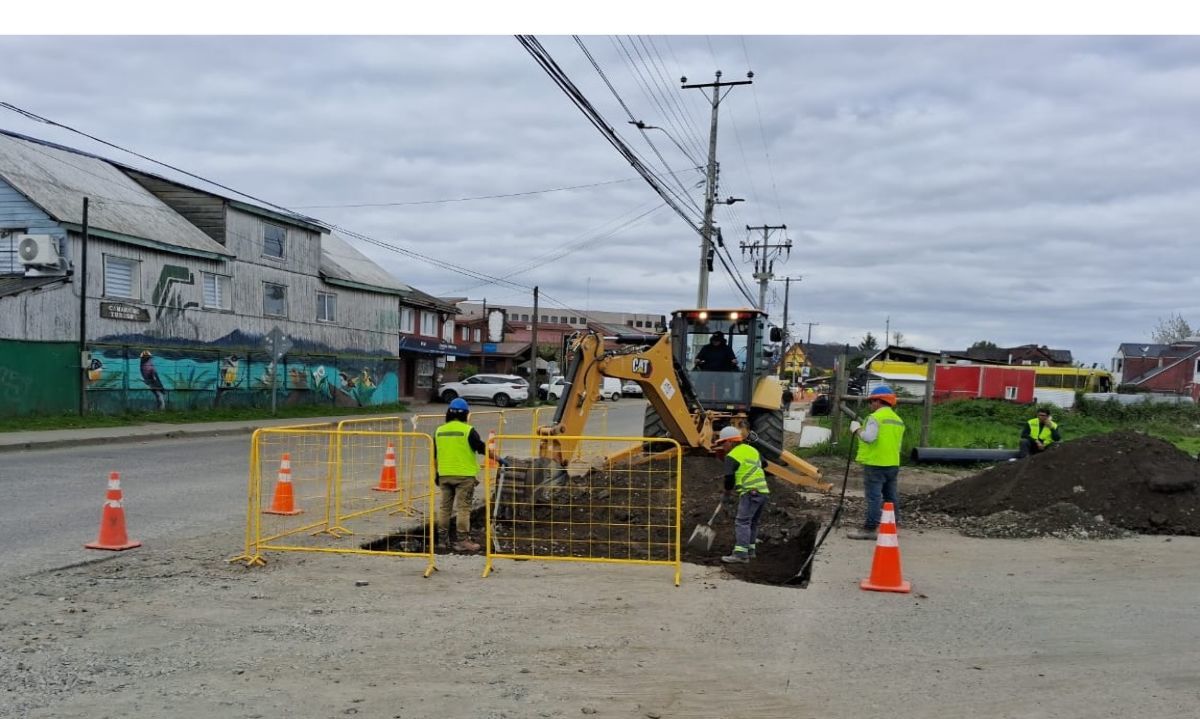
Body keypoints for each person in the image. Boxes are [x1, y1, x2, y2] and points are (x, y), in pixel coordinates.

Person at [433, 397, 503, 552]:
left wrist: (437, 475)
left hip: (444, 475)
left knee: (445, 509)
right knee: (463, 508)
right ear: (466, 414)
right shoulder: (468, 431)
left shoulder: (439, 431)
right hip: (464, 476)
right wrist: (499, 459)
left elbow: (436, 455)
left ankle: (442, 541)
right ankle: (462, 540)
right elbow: (482, 448)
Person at [847, 385, 906, 541]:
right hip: (892, 463)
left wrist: (857, 429)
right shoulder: (898, 420)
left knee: (874, 497)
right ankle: (893, 525)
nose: (870, 405)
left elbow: (869, 437)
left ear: (879, 401)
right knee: (891, 497)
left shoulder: (875, 418)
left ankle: (870, 528)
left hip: (875, 464)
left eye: (872, 401)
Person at [715, 426, 770, 564]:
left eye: (723, 443)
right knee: (752, 522)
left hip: (750, 492)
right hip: (762, 491)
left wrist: (727, 494)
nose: (722, 446)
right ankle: (750, 551)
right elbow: (764, 463)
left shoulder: (732, 456)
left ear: (730, 442)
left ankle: (740, 554)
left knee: (742, 522)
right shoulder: (752, 449)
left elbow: (729, 478)